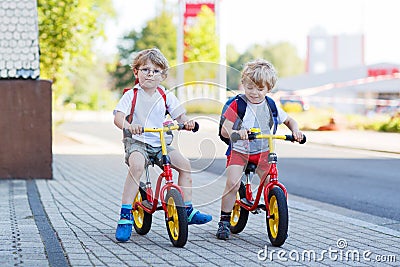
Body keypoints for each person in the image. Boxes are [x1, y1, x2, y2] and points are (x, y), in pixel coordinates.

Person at [113, 48, 212, 242]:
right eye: (145, 69)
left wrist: (187, 122)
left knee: (185, 166)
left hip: (160, 143)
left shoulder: (165, 95)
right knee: (137, 166)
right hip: (137, 142)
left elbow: (180, 115)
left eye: (156, 71)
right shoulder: (132, 95)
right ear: (136, 72)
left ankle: (188, 210)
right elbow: (118, 117)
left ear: (163, 76)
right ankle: (125, 217)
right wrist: (129, 126)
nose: (150, 74)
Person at [216, 59, 304, 240]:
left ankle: (278, 219)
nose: (254, 93)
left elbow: (290, 121)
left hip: (263, 151)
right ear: (244, 85)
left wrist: (295, 131)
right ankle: (224, 222)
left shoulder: (271, 106)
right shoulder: (238, 104)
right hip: (240, 152)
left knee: (270, 183)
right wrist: (237, 132)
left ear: (268, 88)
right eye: (250, 87)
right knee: (232, 183)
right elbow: (225, 129)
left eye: (259, 89)